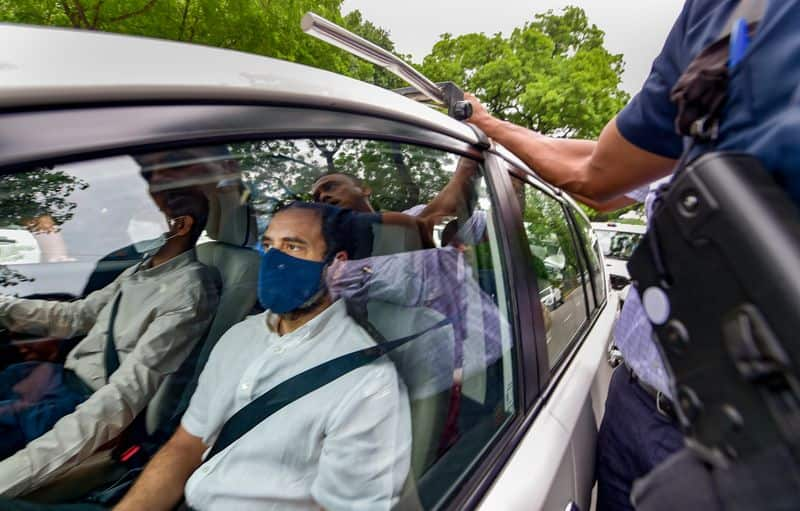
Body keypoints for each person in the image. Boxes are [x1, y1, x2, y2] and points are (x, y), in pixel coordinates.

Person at [463, 0, 800, 508]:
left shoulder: (733, 18)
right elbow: (598, 173)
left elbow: (595, 175)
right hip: (637, 404)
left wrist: (492, 126)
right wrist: (492, 128)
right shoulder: (725, 22)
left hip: (756, 452)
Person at [114, 201, 411, 511]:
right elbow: (186, 446)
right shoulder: (240, 336)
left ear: (336, 264)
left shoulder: (368, 381)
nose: (274, 260)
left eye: (294, 247)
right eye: (269, 245)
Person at [0, 187, 220, 497]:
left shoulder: (188, 292)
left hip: (81, 401)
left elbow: (126, 392)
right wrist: (5, 306)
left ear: (181, 225)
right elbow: (75, 316)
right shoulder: (139, 270)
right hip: (57, 379)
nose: (133, 223)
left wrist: (11, 477)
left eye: (145, 214)